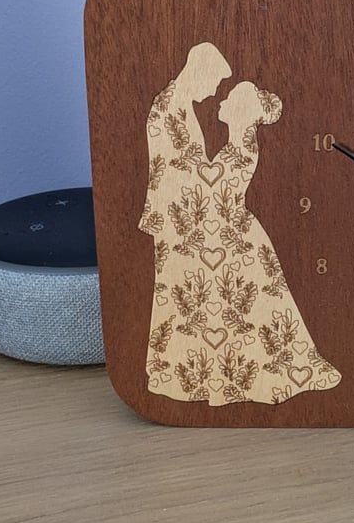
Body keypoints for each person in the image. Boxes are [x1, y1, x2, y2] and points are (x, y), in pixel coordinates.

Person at [140, 43, 341, 405]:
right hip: (186, 226)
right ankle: (203, 378)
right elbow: (176, 173)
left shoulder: (227, 134)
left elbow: (208, 179)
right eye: (214, 82)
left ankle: (224, 378)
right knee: (196, 304)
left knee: (227, 303)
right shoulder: (170, 109)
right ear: (197, 69)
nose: (213, 94)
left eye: (221, 89)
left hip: (211, 227)